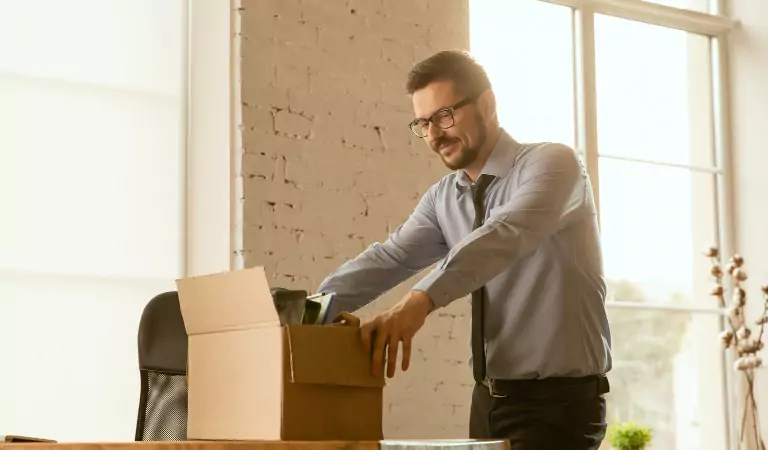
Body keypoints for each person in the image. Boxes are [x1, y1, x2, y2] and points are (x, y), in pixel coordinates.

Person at [316, 49, 612, 450]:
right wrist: (308, 312)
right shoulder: (444, 197)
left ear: (487, 104)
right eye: (423, 123)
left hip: (559, 405)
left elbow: (503, 235)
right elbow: (391, 257)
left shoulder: (553, 165)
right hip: (487, 401)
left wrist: (416, 303)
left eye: (444, 116)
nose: (434, 135)